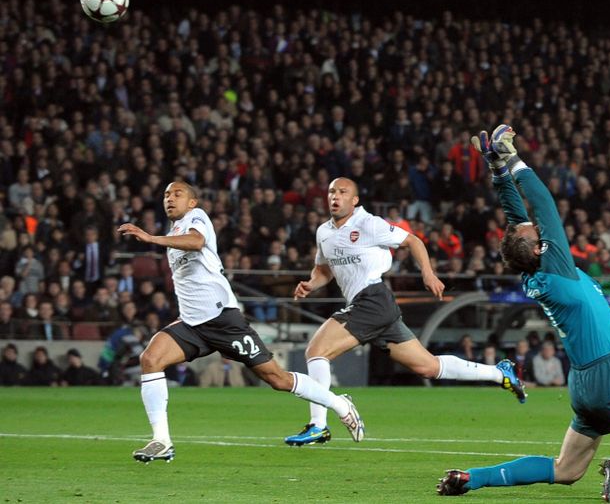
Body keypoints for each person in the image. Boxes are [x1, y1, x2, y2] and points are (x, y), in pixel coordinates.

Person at [437, 126, 610, 502]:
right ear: (538, 249)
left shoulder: (531, 270)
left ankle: (473, 478)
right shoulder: (556, 265)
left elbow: (517, 218)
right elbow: (544, 204)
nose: (536, 226)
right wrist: (514, 157)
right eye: (536, 234)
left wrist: (496, 167)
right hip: (609, 375)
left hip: (583, 383)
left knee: (566, 470)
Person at [117, 181, 364, 464]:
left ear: (192, 202)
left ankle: (340, 404)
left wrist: (151, 238)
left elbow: (196, 242)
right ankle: (161, 441)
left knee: (277, 379)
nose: (170, 199)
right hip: (192, 325)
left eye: (177, 194)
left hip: (223, 321)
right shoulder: (175, 233)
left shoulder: (197, 219)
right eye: (166, 195)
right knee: (150, 358)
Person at [284, 177, 526, 446]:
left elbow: (413, 241)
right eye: (331, 192)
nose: (335, 196)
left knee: (316, 352)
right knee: (428, 366)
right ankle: (500, 373)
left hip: (372, 299)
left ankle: (319, 424)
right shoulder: (324, 233)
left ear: (355, 200)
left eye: (342, 192)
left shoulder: (369, 224)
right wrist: (310, 284)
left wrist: (428, 274)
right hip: (373, 307)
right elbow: (324, 270)